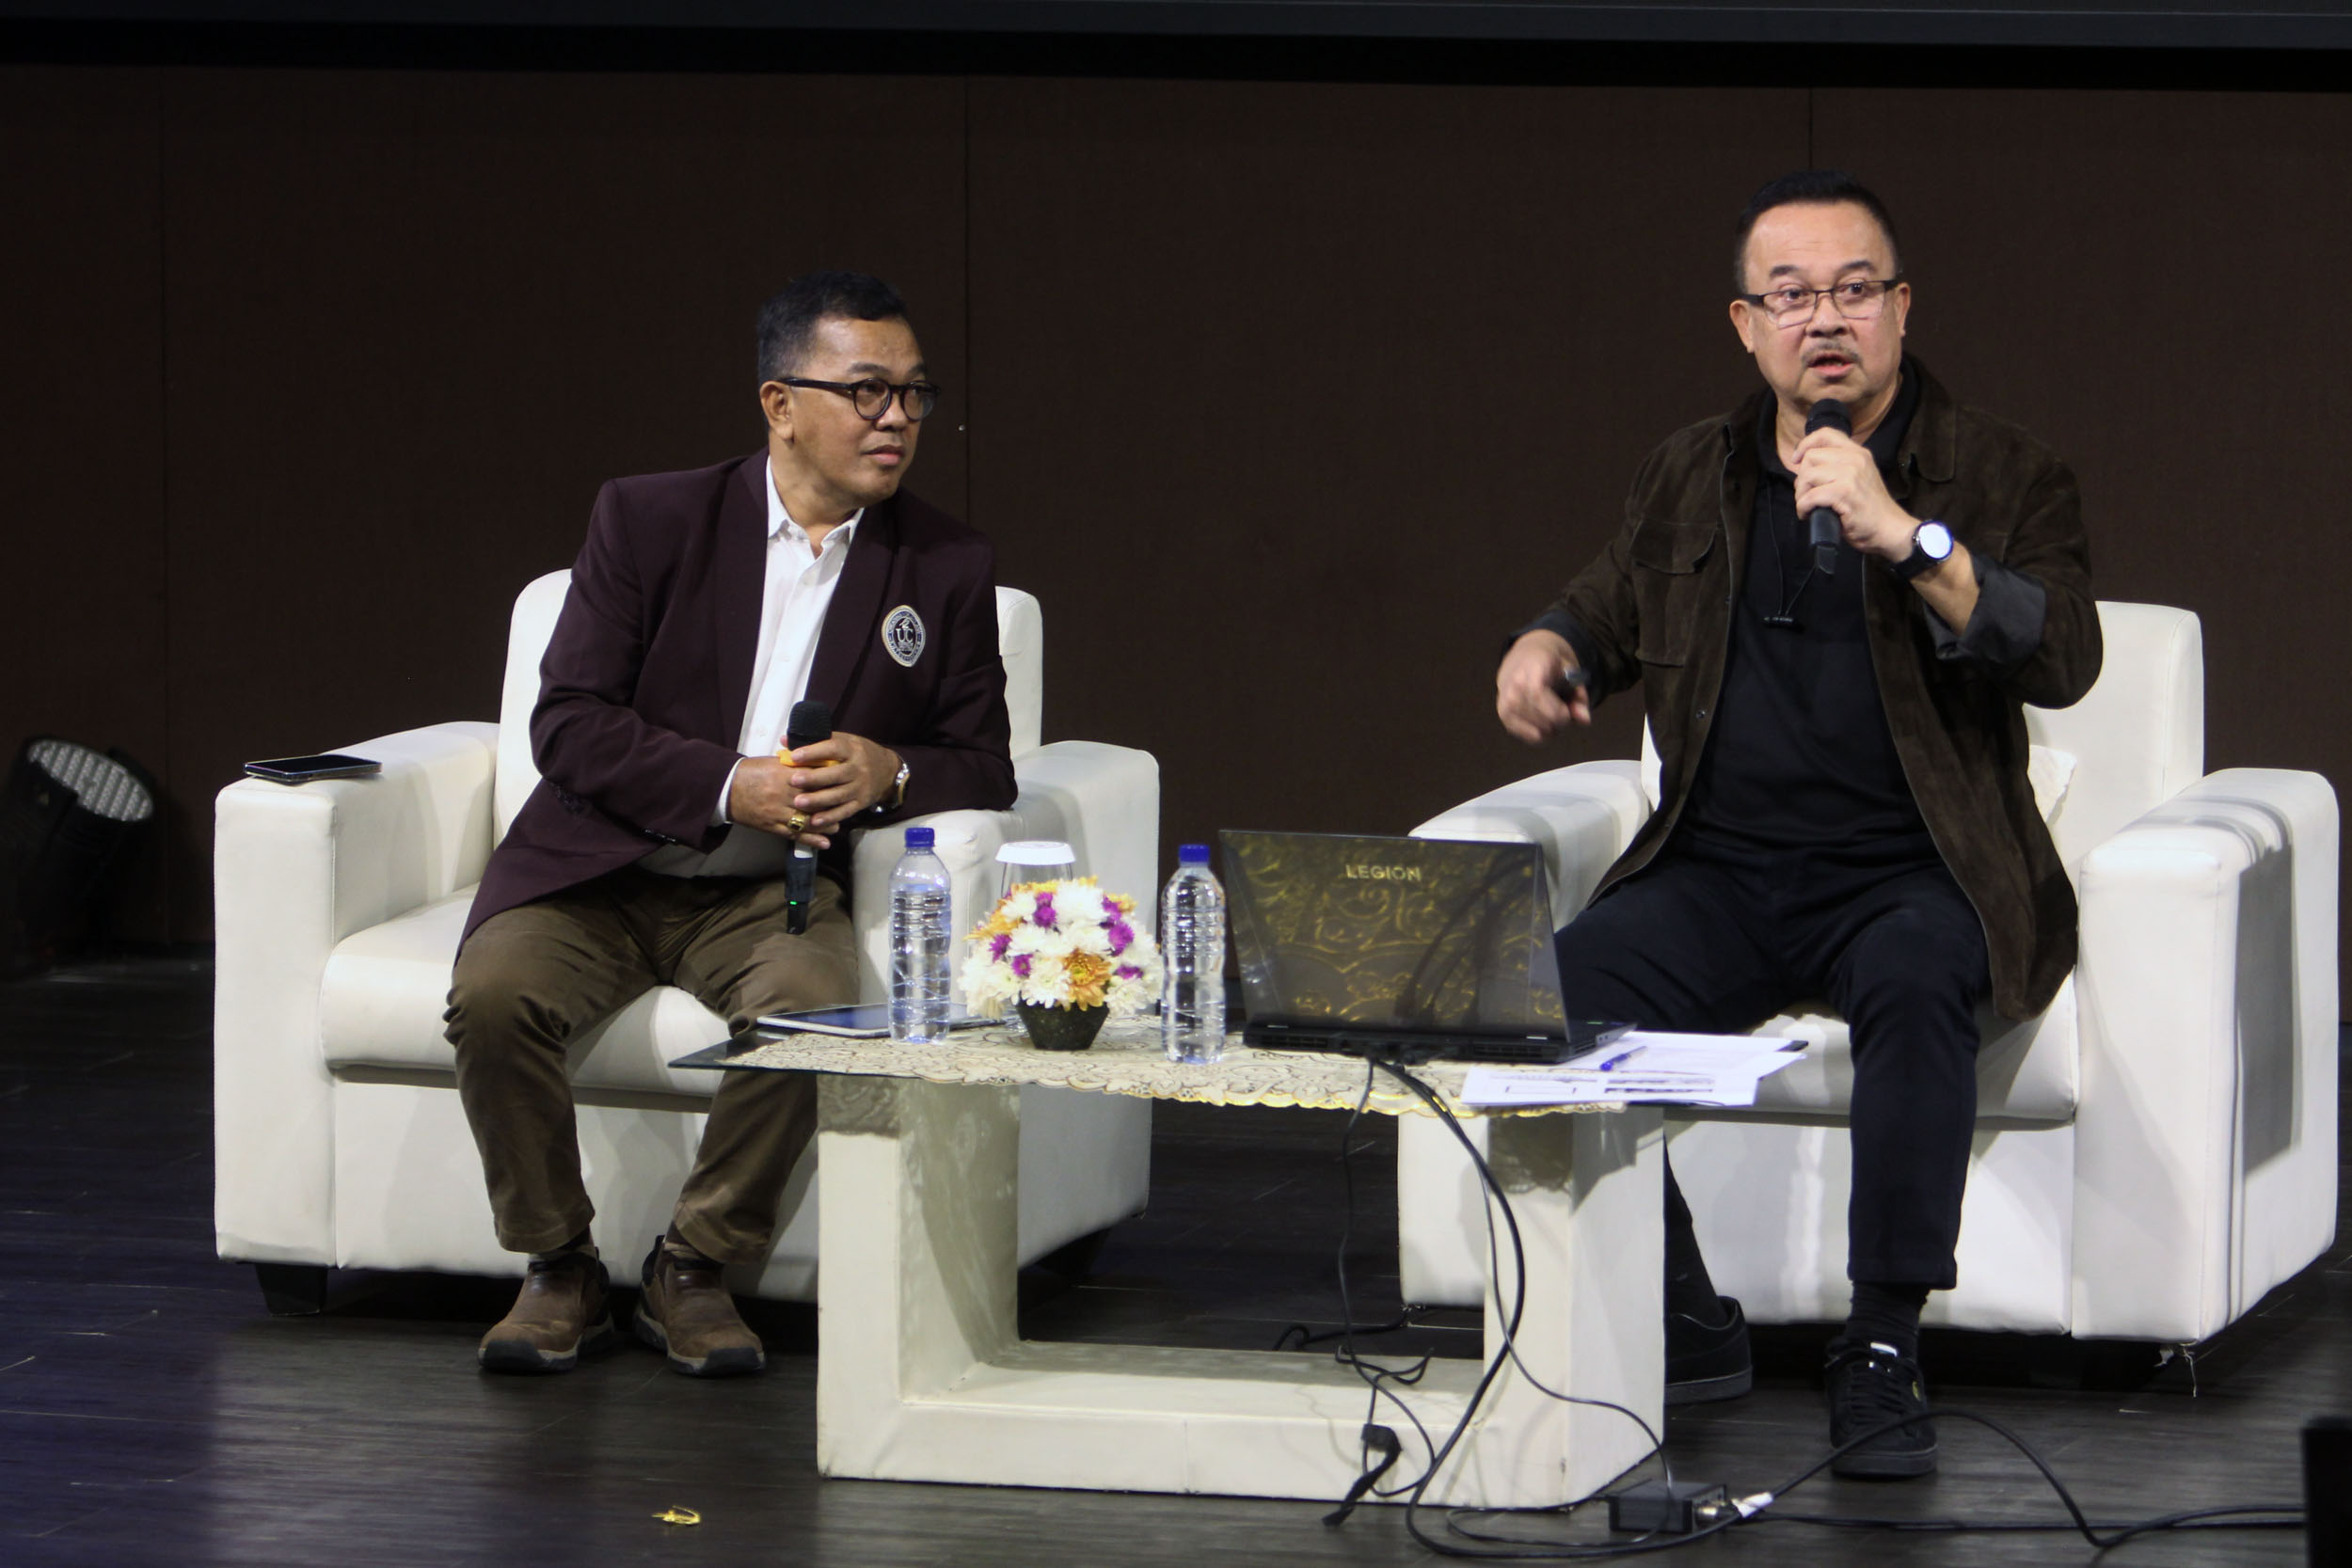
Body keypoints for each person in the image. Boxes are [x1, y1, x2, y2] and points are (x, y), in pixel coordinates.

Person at [1492, 171, 2099, 1477]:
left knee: (1919, 973)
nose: (1825, 318)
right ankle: (1690, 1312)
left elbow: (2063, 653)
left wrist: (1908, 534)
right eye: (1793, 295)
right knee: (1548, 991)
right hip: (1720, 872)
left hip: (1915, 872)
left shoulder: (2001, 469)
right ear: (1745, 322)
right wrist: (1553, 641)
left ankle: (1882, 1342)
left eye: (1853, 290)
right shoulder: (1690, 472)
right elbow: (1609, 599)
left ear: (1900, 307)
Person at [445, 271, 1015, 1378]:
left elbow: (982, 760)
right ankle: (559, 1264)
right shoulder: (650, 517)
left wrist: (891, 770)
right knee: (494, 990)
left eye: (913, 394)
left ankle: (693, 1267)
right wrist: (725, 783)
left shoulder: (945, 565)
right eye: (865, 391)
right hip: (602, 868)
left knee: (812, 1008)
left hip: (770, 891)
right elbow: (567, 722)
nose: (895, 418)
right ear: (779, 402)